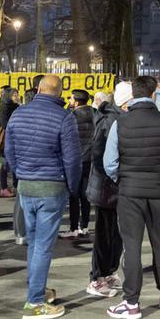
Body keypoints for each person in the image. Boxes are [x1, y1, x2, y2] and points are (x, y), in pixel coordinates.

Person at [104, 76, 160, 319]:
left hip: (130, 193)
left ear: (132, 96)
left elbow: (109, 163)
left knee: (131, 246)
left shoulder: (121, 123)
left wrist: (123, 178)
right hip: (159, 192)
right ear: (153, 94)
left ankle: (131, 303)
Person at [4, 73, 81, 319]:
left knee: (35, 242)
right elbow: (72, 159)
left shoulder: (18, 114)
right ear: (59, 92)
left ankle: (36, 289)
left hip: (27, 186)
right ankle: (35, 302)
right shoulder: (64, 117)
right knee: (43, 247)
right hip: (51, 187)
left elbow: (9, 151)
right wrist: (72, 186)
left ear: (38, 89)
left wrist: (21, 174)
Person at [86, 89, 122, 299]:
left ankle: (107, 272)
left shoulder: (111, 119)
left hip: (110, 186)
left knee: (114, 235)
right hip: (106, 187)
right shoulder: (109, 121)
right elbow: (99, 155)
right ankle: (97, 278)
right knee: (104, 234)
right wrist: (113, 175)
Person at [67, 90, 95, 237]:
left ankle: (73, 227)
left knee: (74, 194)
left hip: (76, 159)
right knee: (85, 194)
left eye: (71, 98)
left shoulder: (72, 117)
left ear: (76, 102)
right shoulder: (94, 114)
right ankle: (84, 225)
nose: (69, 101)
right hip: (90, 159)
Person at [0, 85, 20, 196]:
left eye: (17, 94)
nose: (17, 96)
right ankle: (4, 188)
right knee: (5, 164)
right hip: (6, 139)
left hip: (15, 138)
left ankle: (15, 186)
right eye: (14, 95)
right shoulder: (5, 106)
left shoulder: (17, 106)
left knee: (14, 162)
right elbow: (4, 123)